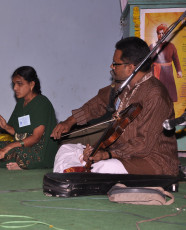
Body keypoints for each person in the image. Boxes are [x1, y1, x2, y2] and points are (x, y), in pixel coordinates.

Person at [51, 37, 179, 176]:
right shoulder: (122, 86)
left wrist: (107, 154)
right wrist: (69, 122)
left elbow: (143, 144)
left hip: (152, 161)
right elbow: (97, 103)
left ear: (130, 67)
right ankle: (73, 176)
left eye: (115, 64)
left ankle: (78, 175)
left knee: (102, 168)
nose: (112, 67)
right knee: (66, 149)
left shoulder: (155, 95)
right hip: (118, 153)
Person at [0, 66, 58, 170]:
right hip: (22, 145)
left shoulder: (42, 103)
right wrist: (5, 127)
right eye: (14, 84)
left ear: (31, 84)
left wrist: (8, 148)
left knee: (16, 152)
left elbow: (36, 138)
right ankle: (15, 163)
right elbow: (18, 134)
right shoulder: (21, 103)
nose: (15, 88)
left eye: (19, 84)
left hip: (39, 151)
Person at [149, 24, 182, 102]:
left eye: (163, 33)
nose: (161, 35)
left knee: (168, 93)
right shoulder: (152, 46)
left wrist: (179, 71)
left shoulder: (171, 46)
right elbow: (147, 62)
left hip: (168, 72)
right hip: (155, 71)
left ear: (166, 34)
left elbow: (176, 59)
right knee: (156, 93)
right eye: (159, 33)